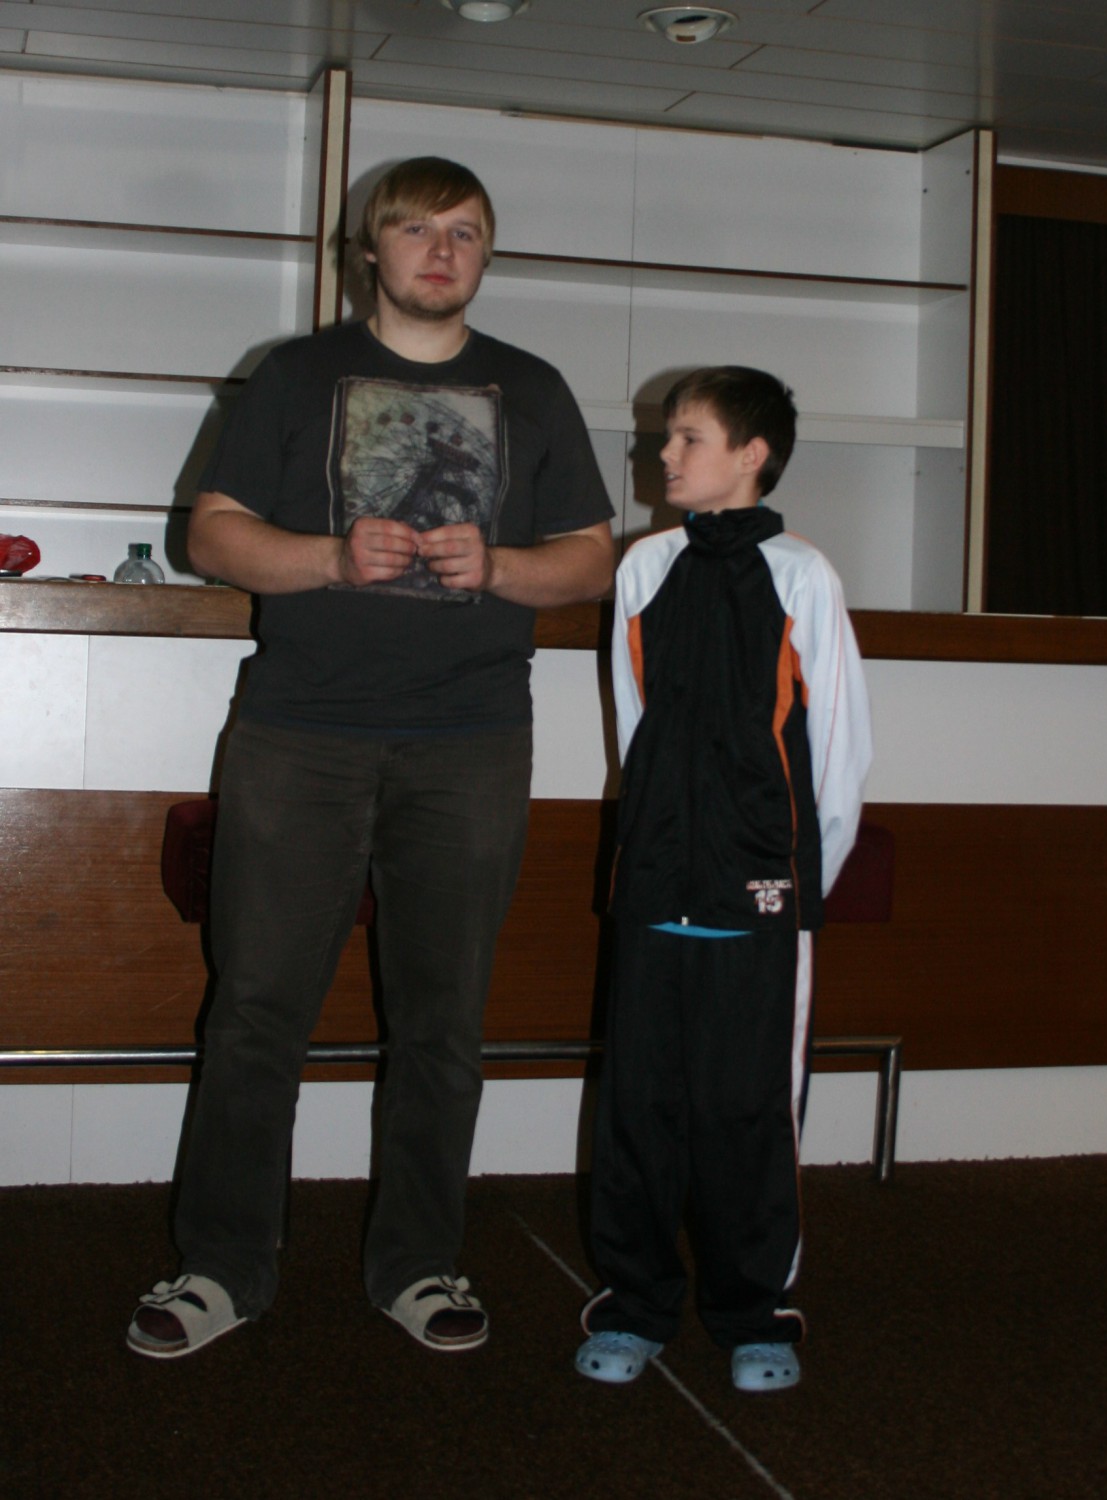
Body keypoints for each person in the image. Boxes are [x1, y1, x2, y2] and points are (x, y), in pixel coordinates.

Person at [127, 157, 615, 1360]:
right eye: (415, 229)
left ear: (486, 255)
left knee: (443, 1023)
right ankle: (219, 1268)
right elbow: (211, 536)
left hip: (473, 740)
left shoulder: (533, 388)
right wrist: (334, 558)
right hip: (300, 733)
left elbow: (592, 555)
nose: (439, 251)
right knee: (255, 1012)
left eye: (464, 232)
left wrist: (500, 567)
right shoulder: (294, 375)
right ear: (369, 251)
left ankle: (419, 1264)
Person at [575, 366, 871, 1392]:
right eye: (666, 436)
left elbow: (837, 752)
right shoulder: (643, 566)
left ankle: (755, 1314)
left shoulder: (803, 576)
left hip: (759, 897)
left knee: (747, 1113)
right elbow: (635, 723)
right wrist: (651, 845)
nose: (662, 454)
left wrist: (789, 878)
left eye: (686, 437)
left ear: (751, 454)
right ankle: (633, 1305)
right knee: (638, 1108)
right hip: (655, 886)